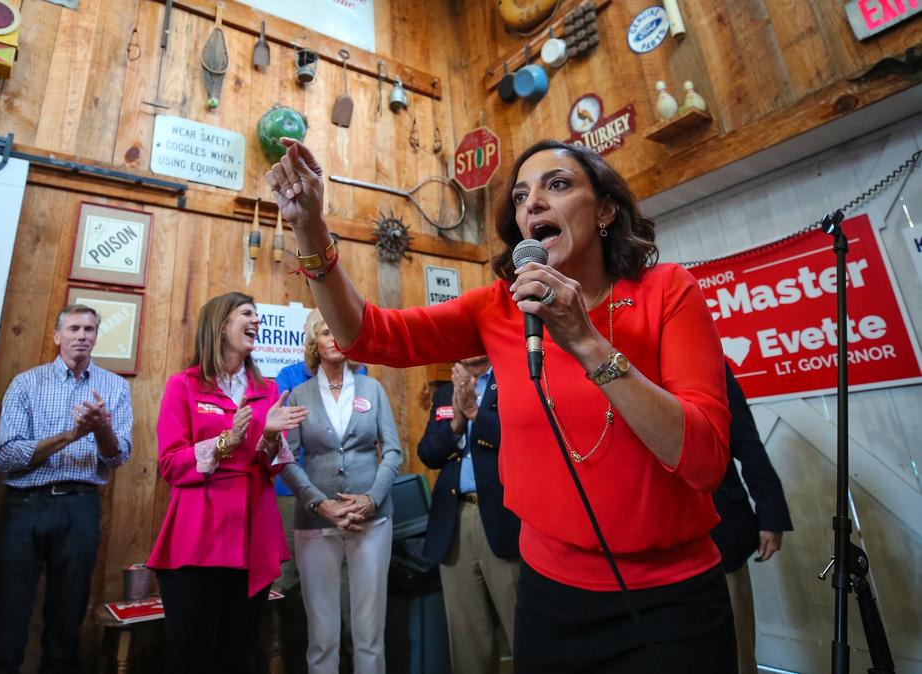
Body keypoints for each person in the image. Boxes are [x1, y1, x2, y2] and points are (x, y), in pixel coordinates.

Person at [265, 138, 735, 673]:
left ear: (605, 209)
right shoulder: (499, 308)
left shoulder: (666, 292)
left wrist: (586, 342)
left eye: (557, 184)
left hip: (672, 600)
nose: (533, 203)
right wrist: (310, 227)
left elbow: (705, 461)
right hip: (550, 596)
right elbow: (369, 335)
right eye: (520, 196)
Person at [149, 292, 308, 674]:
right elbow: (170, 464)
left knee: (240, 655)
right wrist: (226, 442)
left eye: (257, 315)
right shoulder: (183, 385)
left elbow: (272, 466)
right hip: (197, 536)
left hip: (253, 534)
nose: (256, 321)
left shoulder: (269, 390)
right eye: (246, 313)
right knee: (190, 657)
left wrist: (269, 438)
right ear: (221, 326)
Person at [0, 304, 133, 674]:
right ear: (57, 336)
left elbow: (118, 457)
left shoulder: (115, 387)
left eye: (89, 329)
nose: (82, 335)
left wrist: (102, 430)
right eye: (73, 328)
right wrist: (71, 435)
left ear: (96, 337)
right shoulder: (26, 383)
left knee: (68, 617)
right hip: (25, 505)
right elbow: (4, 457)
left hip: (80, 507)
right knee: (7, 615)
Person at [280, 311, 402, 674]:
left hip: (372, 522)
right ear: (313, 344)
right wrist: (319, 503)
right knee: (322, 635)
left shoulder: (372, 389)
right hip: (316, 523)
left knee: (369, 633)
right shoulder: (299, 394)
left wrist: (372, 498)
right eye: (325, 332)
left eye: (339, 332)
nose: (333, 338)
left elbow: (393, 451)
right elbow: (286, 459)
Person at [417, 355, 520, 674]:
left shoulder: (513, 380)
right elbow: (428, 454)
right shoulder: (446, 393)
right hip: (456, 521)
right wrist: (456, 425)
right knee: (468, 643)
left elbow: (524, 441)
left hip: (505, 521)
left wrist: (476, 413)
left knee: (522, 633)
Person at [710, 362, 793, 674]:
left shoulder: (707, 359)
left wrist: (771, 513)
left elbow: (745, 439)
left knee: (735, 646)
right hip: (646, 539)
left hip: (720, 529)